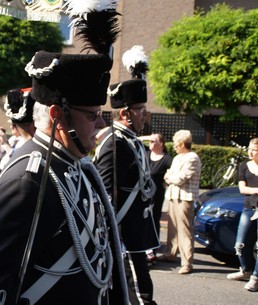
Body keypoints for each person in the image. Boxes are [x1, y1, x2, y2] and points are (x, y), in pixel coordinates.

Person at [0, 3, 128, 304]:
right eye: (92, 115)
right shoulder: (27, 181)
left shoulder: (75, 166)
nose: (102, 123)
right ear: (57, 114)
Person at [93, 79, 159, 305]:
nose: (144, 115)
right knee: (138, 295)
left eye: (144, 109)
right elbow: (104, 193)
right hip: (123, 233)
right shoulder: (115, 142)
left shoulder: (130, 140)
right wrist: (113, 236)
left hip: (135, 231)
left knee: (140, 289)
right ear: (124, 113)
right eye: (140, 110)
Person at [227, 137, 258, 292]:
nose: (250, 152)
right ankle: (245, 270)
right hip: (249, 207)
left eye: (254, 149)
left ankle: (256, 278)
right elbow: (242, 189)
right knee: (241, 244)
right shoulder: (244, 165)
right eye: (249, 148)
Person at [158, 130, 201, 275]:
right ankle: (170, 253)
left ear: (183, 144)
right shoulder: (177, 158)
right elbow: (168, 175)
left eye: (176, 144)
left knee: (185, 230)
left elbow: (180, 178)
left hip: (185, 197)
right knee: (173, 227)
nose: (174, 147)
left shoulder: (192, 158)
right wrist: (170, 177)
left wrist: (170, 177)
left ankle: (187, 262)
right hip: (173, 195)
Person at [140, 133, 173, 263]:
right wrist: (148, 137)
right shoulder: (146, 153)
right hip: (143, 193)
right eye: (151, 142)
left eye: (155, 141)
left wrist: (168, 178)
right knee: (142, 221)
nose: (151, 143)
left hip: (157, 194)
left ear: (162, 144)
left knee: (153, 221)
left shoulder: (166, 159)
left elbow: (173, 171)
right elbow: (134, 140)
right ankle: (143, 250)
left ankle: (152, 250)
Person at [0, 88, 36, 179]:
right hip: (1, 173)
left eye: (14, 125)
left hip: (12, 176)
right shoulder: (13, 139)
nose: (11, 127)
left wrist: (5, 142)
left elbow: (15, 157)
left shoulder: (26, 141)